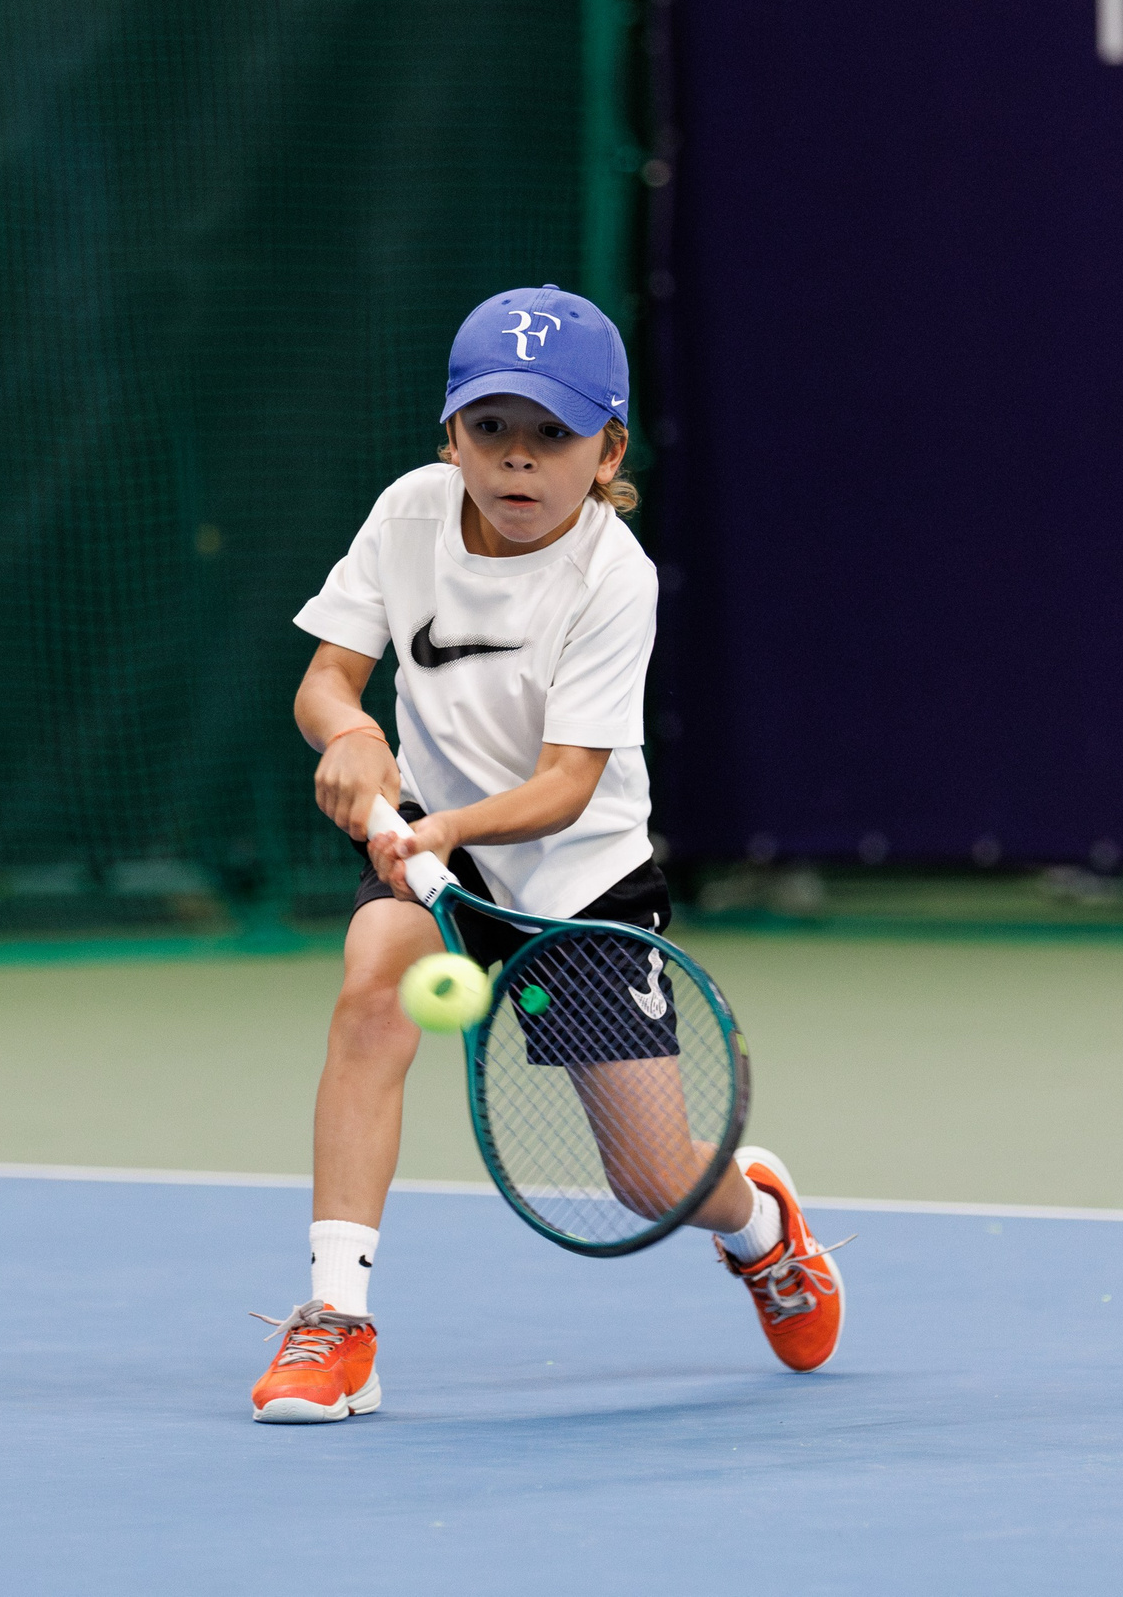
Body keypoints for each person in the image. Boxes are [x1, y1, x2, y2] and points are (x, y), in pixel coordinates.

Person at [249, 285, 846, 1424]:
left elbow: (570, 782)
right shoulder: (410, 514)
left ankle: (764, 1225)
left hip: (580, 881)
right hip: (440, 856)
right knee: (373, 985)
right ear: (449, 435)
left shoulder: (612, 577)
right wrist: (357, 731)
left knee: (652, 1179)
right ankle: (337, 1320)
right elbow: (326, 679)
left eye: (552, 436)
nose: (517, 463)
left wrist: (444, 829)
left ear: (607, 449)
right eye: (491, 430)